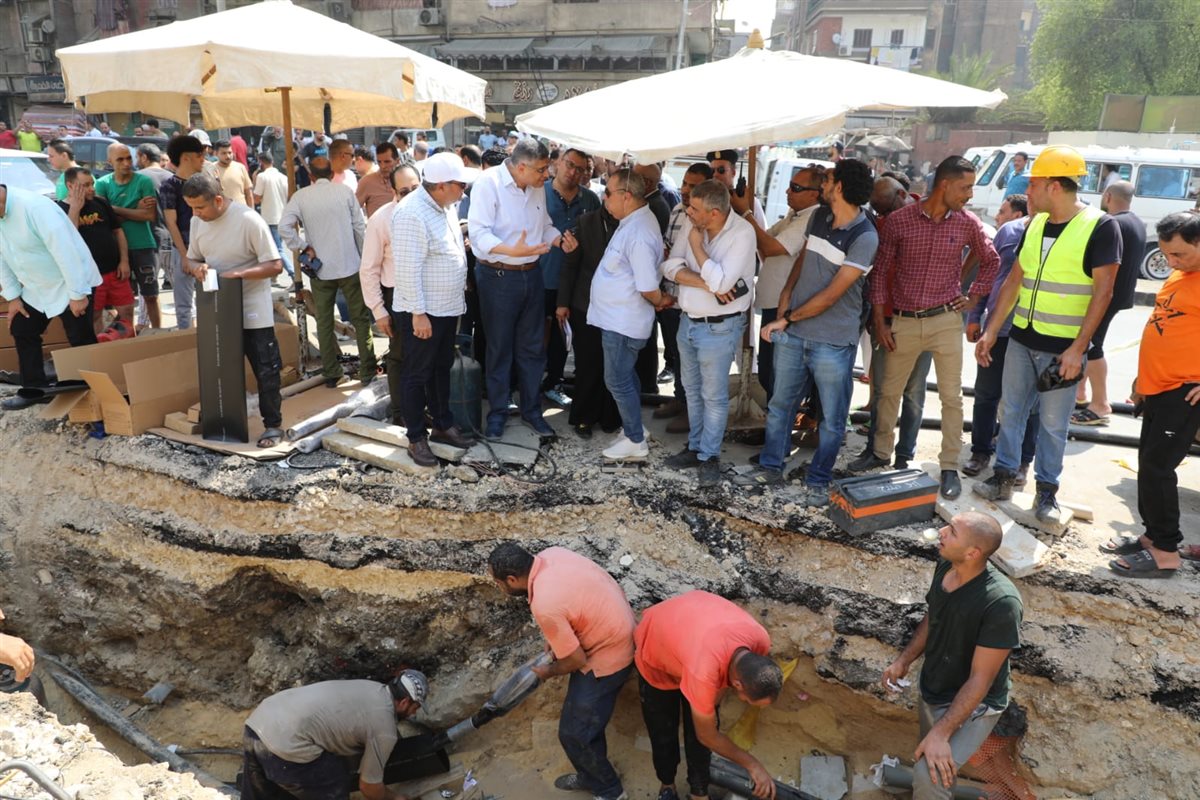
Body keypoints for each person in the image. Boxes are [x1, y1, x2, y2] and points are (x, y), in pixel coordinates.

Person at [973, 146, 1120, 523]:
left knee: (1054, 425)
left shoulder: (1100, 227)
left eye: (1034, 183)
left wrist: (1077, 349)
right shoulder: (1035, 224)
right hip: (1023, 337)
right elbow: (1015, 281)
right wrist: (992, 330)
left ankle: (1047, 493)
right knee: (1012, 410)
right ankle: (1004, 475)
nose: (1029, 190)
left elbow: (1103, 293)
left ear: (1054, 186)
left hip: (1062, 350)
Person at [854, 156, 1000, 500]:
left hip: (946, 321)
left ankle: (949, 466)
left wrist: (973, 296)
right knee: (887, 393)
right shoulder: (899, 222)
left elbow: (992, 259)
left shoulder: (967, 223)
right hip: (903, 321)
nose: (970, 194)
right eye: (965, 187)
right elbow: (880, 274)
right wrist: (879, 321)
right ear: (944, 185)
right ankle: (879, 454)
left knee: (951, 397)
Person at [738, 159, 879, 504]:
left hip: (832, 340)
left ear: (841, 186)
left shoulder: (865, 235)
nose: (823, 184)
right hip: (796, 330)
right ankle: (771, 467)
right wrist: (785, 298)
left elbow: (834, 294)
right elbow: (803, 259)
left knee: (832, 418)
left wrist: (788, 318)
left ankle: (818, 478)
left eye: (829, 179)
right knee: (781, 404)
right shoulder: (819, 217)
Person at [881, 512, 1022, 800]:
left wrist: (942, 733)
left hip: (976, 703)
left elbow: (981, 679)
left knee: (929, 775)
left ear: (973, 552)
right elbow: (936, 615)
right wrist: (903, 660)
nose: (941, 531)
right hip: (935, 687)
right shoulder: (947, 564)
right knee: (934, 764)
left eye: (953, 531)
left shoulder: (1001, 603)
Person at [488, 542, 636, 800]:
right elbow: (575, 604)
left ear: (512, 579)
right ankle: (592, 774)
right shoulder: (553, 554)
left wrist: (549, 672)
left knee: (574, 734)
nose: (500, 589)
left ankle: (610, 792)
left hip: (610, 655)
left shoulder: (544, 603)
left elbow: (576, 661)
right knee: (585, 727)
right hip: (621, 625)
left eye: (500, 584)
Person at [1106, 211, 1200, 578]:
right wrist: (1142, 382)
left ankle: (1164, 553)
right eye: (1167, 256)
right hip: (1158, 388)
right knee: (1148, 464)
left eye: (1180, 255)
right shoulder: (1181, 275)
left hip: (1184, 393)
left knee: (1160, 469)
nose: (1172, 263)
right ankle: (1153, 536)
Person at [467, 137, 577, 440]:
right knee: (500, 349)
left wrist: (559, 240)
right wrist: (509, 251)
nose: (547, 176)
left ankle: (532, 411)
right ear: (522, 166)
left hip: (532, 275)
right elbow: (478, 234)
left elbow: (544, 226)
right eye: (542, 170)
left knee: (532, 350)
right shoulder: (488, 183)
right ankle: (498, 413)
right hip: (498, 276)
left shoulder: (537, 187)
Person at [636, 590, 782, 800]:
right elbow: (707, 736)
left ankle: (699, 792)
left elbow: (704, 732)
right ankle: (667, 785)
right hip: (658, 653)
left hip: (693, 635)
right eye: (749, 701)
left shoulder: (760, 640)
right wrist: (753, 765)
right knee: (663, 731)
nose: (749, 705)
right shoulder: (704, 671)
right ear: (738, 684)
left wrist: (708, 707)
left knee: (702, 731)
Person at [661, 180, 757, 488]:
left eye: (694, 208)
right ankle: (695, 447)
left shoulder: (742, 233)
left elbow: (723, 285)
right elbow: (670, 267)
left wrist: (698, 248)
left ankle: (709, 456)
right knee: (691, 390)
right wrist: (705, 282)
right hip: (688, 321)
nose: (687, 210)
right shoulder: (693, 225)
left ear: (714, 213)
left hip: (720, 326)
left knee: (714, 396)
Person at [181, 174, 285, 447]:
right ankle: (225, 424)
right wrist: (197, 267)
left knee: (266, 369)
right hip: (217, 308)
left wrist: (238, 274)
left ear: (218, 199)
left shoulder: (248, 220)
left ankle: (272, 425)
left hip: (252, 309)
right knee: (221, 369)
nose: (196, 213)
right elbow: (192, 257)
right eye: (191, 207)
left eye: (200, 207)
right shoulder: (196, 222)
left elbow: (275, 265)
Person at [390, 153, 475, 465]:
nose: (464, 191)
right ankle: (415, 437)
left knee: (441, 368)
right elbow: (407, 270)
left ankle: (442, 422)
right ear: (441, 185)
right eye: (460, 185)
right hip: (423, 312)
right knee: (416, 373)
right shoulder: (411, 213)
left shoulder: (446, 205)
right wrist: (418, 314)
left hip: (446, 307)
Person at [588, 168, 673, 462]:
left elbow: (648, 286)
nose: (604, 198)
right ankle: (634, 428)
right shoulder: (632, 220)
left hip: (623, 321)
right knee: (626, 377)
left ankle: (635, 441)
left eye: (608, 193)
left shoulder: (638, 231)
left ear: (626, 197)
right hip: (616, 317)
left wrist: (661, 300)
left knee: (617, 380)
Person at [241, 671, 428, 800]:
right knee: (334, 780)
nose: (413, 714)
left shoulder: (370, 688)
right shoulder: (384, 726)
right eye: (415, 707)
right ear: (404, 702)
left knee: (261, 795)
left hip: (259, 722)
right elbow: (368, 787)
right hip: (286, 743)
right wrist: (394, 797)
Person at [0, 185, 101, 408]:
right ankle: (35, 390)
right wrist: (14, 297)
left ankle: (96, 389)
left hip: (70, 280)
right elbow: (1, 258)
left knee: (80, 336)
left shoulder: (35, 207)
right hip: (36, 286)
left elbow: (66, 251)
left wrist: (77, 293)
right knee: (22, 327)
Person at [280, 155, 376, 387]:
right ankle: (367, 372)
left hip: (320, 270)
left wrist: (303, 246)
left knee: (323, 321)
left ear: (310, 176)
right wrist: (366, 258)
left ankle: (333, 373)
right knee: (361, 319)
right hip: (351, 266)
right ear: (332, 174)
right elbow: (360, 228)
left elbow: (284, 228)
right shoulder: (344, 192)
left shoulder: (300, 196)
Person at [963, 194, 1038, 483]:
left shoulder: (1063, 236)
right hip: (998, 329)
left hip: (1033, 334)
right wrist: (975, 317)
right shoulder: (1010, 232)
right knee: (986, 394)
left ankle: (1021, 462)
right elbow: (989, 274)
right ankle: (981, 450)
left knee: (1029, 404)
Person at [735, 165, 823, 401]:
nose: (787, 191)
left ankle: (778, 425)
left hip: (785, 306)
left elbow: (770, 246)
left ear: (815, 194)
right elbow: (762, 241)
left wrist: (745, 212)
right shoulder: (794, 216)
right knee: (768, 371)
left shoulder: (811, 218)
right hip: (774, 302)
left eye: (796, 188)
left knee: (776, 375)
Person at [1072, 180, 1145, 426]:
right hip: (1119, 294)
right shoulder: (1136, 222)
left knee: (1092, 346)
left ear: (1108, 196)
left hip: (1106, 295)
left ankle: (1100, 404)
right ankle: (1080, 394)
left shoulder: (1113, 223)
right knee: (1088, 345)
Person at [654, 163, 714, 431]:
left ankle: (693, 410)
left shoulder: (716, 219)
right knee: (676, 354)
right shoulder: (678, 209)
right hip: (671, 296)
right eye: (685, 184)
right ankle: (680, 399)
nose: (686, 190)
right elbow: (667, 250)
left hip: (698, 301)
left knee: (695, 361)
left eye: (694, 186)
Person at [542, 148, 601, 408]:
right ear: (557, 163)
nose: (573, 171)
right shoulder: (538, 193)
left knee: (562, 338)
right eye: (570, 164)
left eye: (581, 168)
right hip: (538, 276)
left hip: (573, 284)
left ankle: (554, 382)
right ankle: (524, 385)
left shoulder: (590, 200)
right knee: (530, 337)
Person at [557, 203, 623, 438]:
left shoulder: (632, 223)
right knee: (588, 363)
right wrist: (562, 302)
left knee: (614, 364)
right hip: (586, 303)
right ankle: (583, 417)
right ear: (607, 197)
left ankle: (610, 417)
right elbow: (570, 264)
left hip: (619, 306)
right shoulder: (586, 222)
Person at [362, 165, 420, 419]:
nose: (410, 195)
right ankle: (400, 413)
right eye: (404, 191)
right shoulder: (381, 219)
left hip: (426, 294)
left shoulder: (433, 211)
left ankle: (421, 410)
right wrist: (379, 310)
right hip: (395, 296)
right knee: (399, 357)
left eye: (415, 189)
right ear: (394, 192)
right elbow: (368, 269)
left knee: (424, 357)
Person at [57, 167, 132, 335]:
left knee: (126, 310)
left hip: (115, 271)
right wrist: (75, 208)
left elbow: (118, 231)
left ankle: (126, 346)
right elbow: (69, 238)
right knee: (94, 316)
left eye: (92, 183)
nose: (91, 188)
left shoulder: (100, 202)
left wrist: (124, 260)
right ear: (70, 186)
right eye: (85, 185)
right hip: (89, 278)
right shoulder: (59, 209)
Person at [95, 143, 161, 330]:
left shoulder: (143, 181)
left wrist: (114, 209)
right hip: (116, 249)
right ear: (109, 162)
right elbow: (105, 219)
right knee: (124, 299)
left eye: (128, 158)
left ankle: (157, 333)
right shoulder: (102, 184)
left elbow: (149, 215)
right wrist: (134, 209)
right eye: (120, 159)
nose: (126, 163)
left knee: (151, 295)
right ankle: (126, 336)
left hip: (143, 244)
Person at [158, 135, 206, 330]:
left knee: (211, 300)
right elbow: (171, 222)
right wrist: (185, 256)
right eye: (199, 155)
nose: (203, 159)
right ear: (186, 157)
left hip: (208, 250)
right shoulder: (169, 186)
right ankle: (187, 340)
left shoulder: (206, 182)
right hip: (183, 250)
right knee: (184, 304)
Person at [135, 143, 175, 290]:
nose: (135, 161)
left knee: (147, 290)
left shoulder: (138, 178)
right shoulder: (172, 177)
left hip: (147, 239)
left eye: (137, 157)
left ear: (144, 157)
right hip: (171, 236)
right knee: (180, 286)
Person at [252, 150, 294, 279]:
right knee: (278, 247)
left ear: (261, 163)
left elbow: (257, 198)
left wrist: (254, 181)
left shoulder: (262, 177)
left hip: (270, 218)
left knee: (277, 249)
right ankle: (275, 275)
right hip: (283, 216)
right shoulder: (283, 177)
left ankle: (293, 274)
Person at [706, 149, 764, 227]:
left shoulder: (750, 202)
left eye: (721, 170)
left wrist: (745, 211)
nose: (715, 175)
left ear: (733, 172)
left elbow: (762, 233)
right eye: (712, 171)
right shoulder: (705, 200)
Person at [357, 142, 401, 219]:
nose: (383, 166)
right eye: (379, 162)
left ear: (397, 161)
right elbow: (353, 210)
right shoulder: (366, 182)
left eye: (387, 162)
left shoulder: (405, 181)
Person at [211, 140, 254, 206]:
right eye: (224, 153)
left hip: (241, 211)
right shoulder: (211, 169)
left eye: (230, 152)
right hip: (222, 212)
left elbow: (249, 193)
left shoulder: (240, 167)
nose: (228, 156)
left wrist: (252, 211)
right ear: (216, 154)